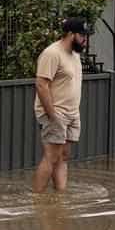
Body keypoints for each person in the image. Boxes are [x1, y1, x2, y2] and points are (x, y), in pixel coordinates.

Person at [33, 17, 89, 193]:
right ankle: (37, 198)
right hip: (56, 113)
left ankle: (60, 197)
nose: (85, 39)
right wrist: (52, 115)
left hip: (72, 113)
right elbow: (41, 84)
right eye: (83, 35)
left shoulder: (75, 55)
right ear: (71, 34)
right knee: (51, 156)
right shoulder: (52, 53)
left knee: (63, 156)